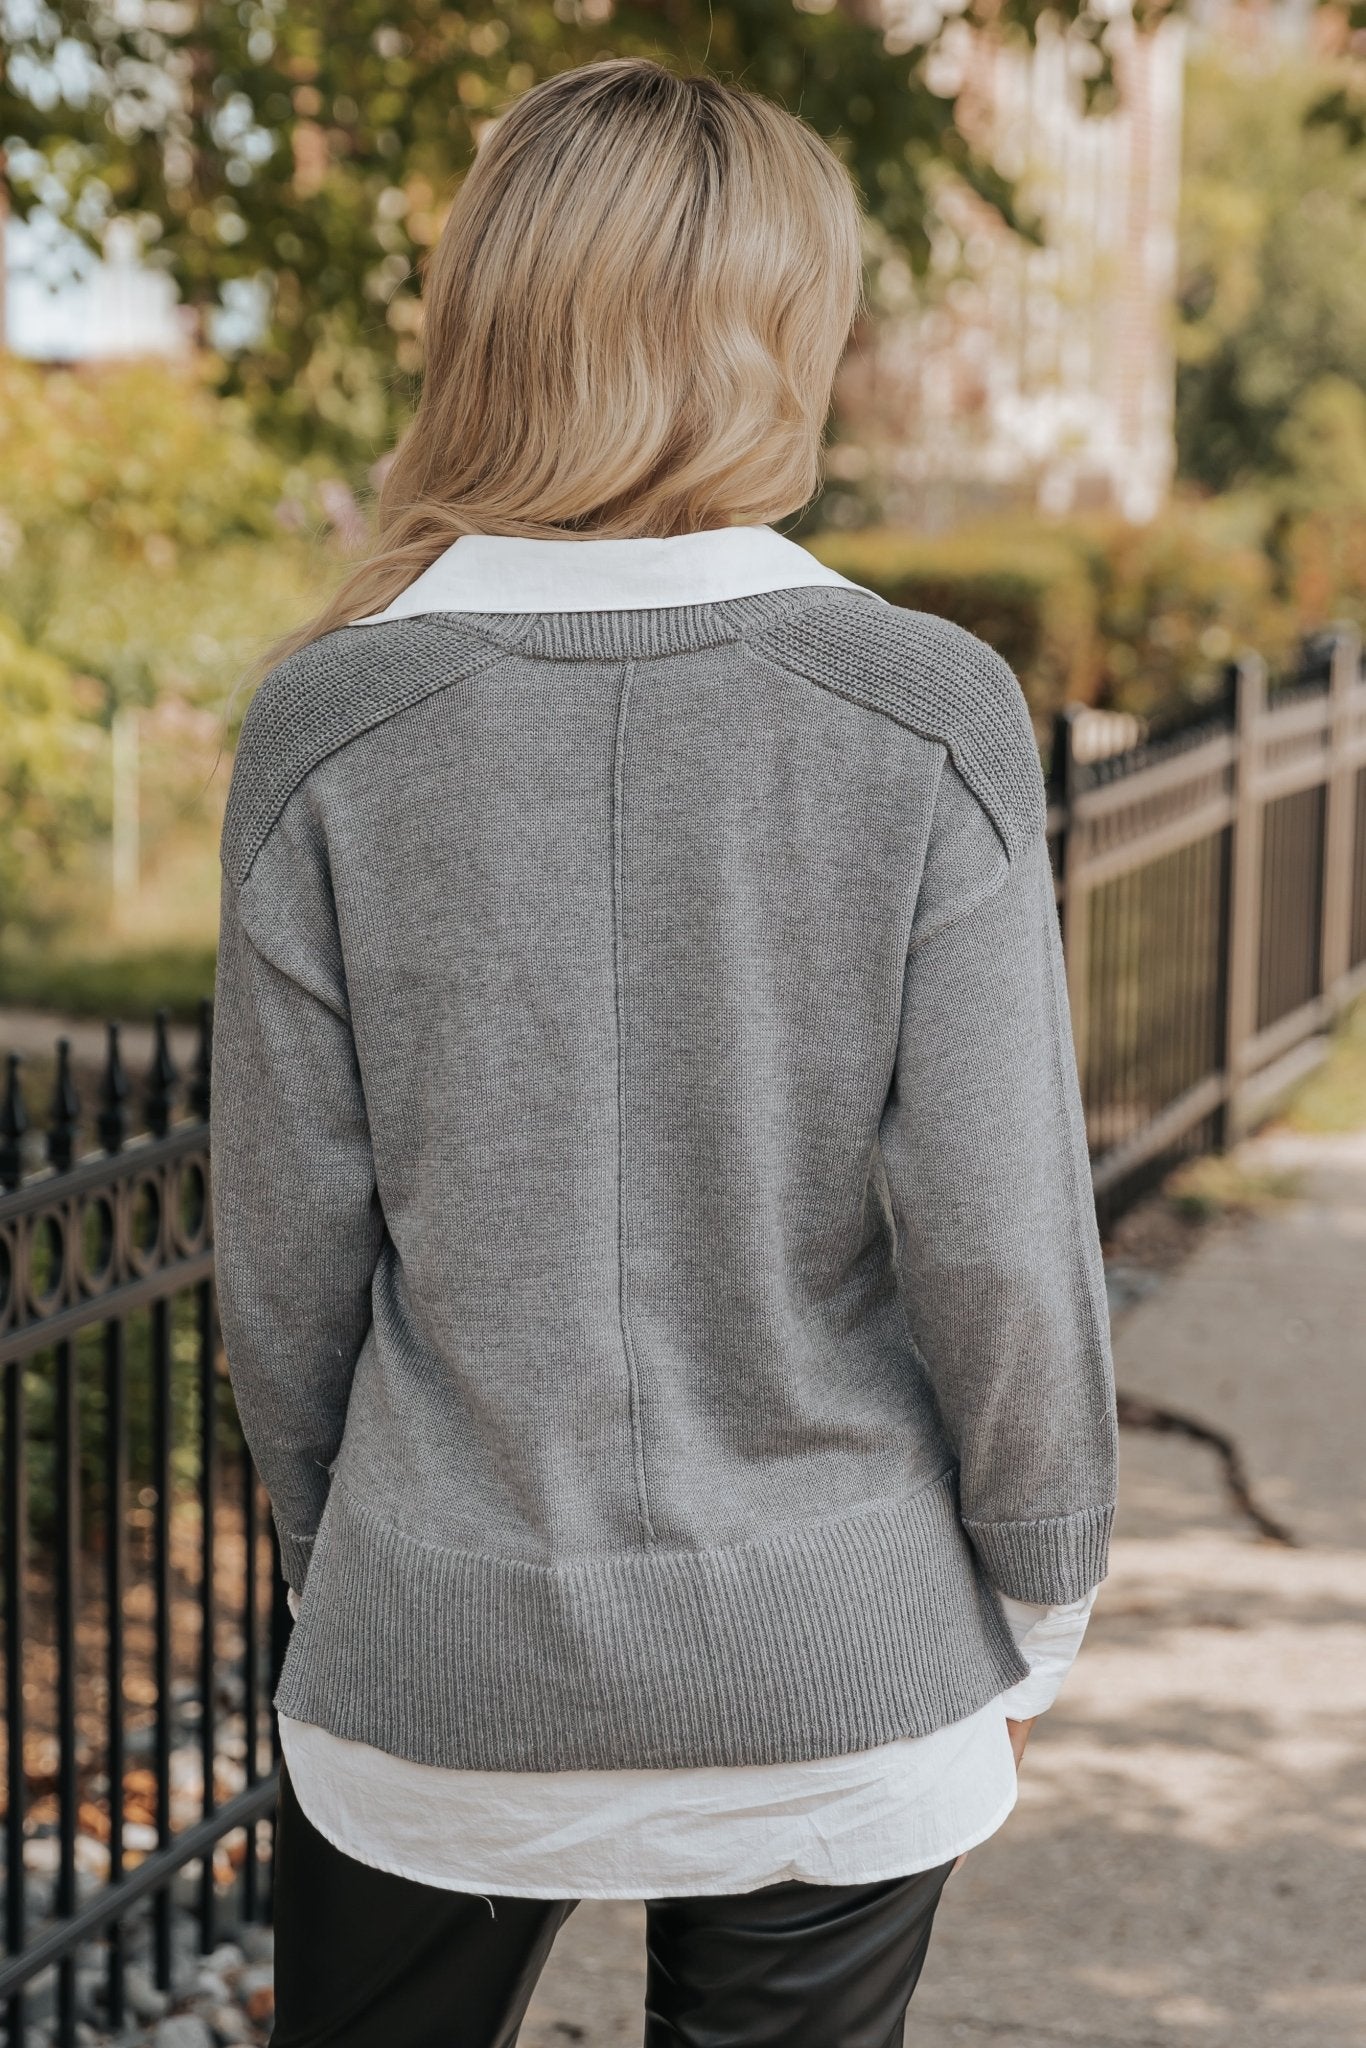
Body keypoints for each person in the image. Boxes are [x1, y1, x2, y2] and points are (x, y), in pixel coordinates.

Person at [210, 54, 1117, 2048]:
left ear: (489, 324)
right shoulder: (924, 706)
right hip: (837, 1653)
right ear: (782, 328)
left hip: (438, 1647)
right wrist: (1040, 1591)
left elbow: (283, 1260)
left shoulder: (330, 722)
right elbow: (995, 1238)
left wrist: (355, 1565)